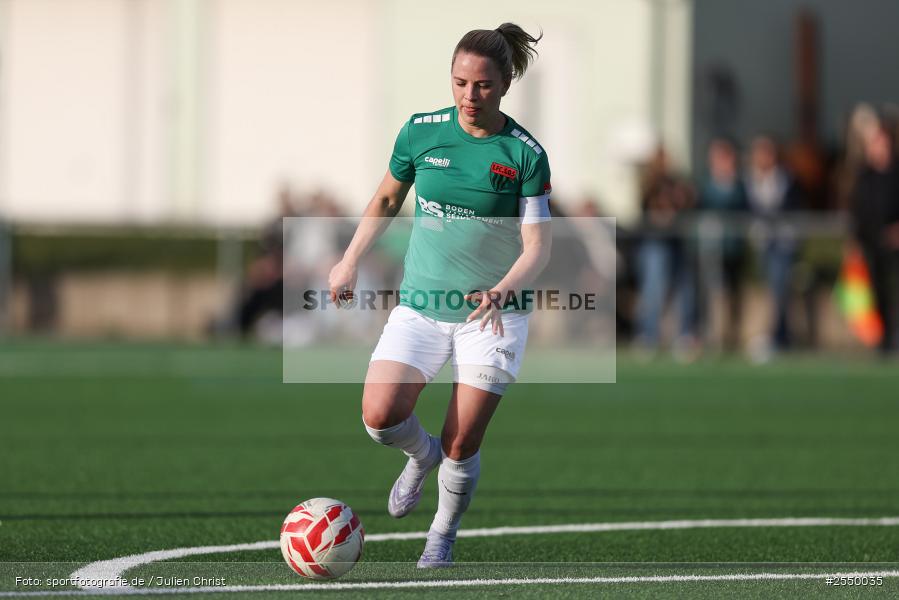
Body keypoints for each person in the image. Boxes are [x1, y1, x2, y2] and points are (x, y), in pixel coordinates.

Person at [327, 24, 551, 567]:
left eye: (482, 86)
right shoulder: (421, 133)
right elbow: (385, 199)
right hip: (423, 305)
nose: (469, 97)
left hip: (492, 315)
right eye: (459, 83)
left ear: (507, 82)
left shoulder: (525, 155)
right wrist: (350, 259)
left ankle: (442, 534)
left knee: (462, 441)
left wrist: (501, 290)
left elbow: (538, 246)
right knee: (379, 416)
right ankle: (419, 455)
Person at [744, 136, 800, 355]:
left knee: (779, 288)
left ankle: (778, 335)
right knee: (767, 290)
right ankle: (772, 334)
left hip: (783, 244)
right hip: (760, 244)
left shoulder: (788, 180)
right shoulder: (748, 181)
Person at [850, 120, 899, 354]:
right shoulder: (864, 176)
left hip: (896, 242)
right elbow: (858, 212)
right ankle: (885, 338)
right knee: (878, 291)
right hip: (873, 243)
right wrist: (856, 241)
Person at [697, 137, 749, 352]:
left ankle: (732, 336)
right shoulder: (705, 184)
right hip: (711, 249)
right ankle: (711, 336)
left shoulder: (739, 185)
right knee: (711, 293)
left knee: (734, 294)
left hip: (733, 247)